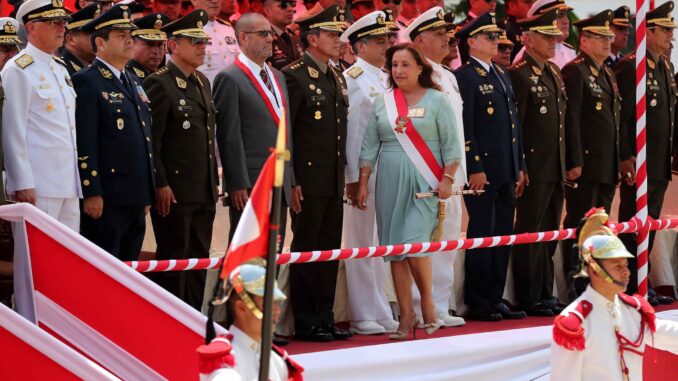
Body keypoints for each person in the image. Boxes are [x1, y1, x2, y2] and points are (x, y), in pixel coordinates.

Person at [357, 43, 461, 339]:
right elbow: (369, 146)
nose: (399, 71)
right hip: (388, 182)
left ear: (420, 68)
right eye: (394, 65)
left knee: (415, 246)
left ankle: (427, 303)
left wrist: (447, 178)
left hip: (424, 181)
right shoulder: (383, 102)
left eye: (405, 65)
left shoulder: (438, 100)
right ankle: (406, 316)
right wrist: (363, 182)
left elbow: (452, 145)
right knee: (395, 253)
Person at [283, 4, 351, 342]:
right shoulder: (294, 75)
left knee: (328, 249)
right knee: (307, 247)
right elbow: (287, 133)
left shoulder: (334, 74)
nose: (338, 39)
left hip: (332, 177)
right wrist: (291, 179)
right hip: (307, 180)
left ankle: (325, 316)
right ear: (312, 38)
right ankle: (307, 321)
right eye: (331, 34)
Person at [142, 9, 217, 310]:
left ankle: (195, 320)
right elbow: (153, 141)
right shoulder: (160, 83)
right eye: (194, 41)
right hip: (175, 190)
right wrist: (160, 182)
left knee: (199, 262)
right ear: (173, 46)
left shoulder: (202, 81)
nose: (202, 47)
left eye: (203, 42)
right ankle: (174, 321)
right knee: (175, 261)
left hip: (203, 187)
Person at [454, 12, 527, 322]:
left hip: (507, 168)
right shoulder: (465, 76)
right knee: (482, 233)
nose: (496, 41)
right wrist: (474, 166)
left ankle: (496, 297)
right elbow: (466, 127)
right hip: (483, 170)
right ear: (471, 42)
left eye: (497, 37)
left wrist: (520, 164)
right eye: (489, 37)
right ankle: (480, 299)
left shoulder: (500, 72)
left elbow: (513, 125)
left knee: (502, 235)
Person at [550, 208, 678, 381]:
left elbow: (666, 334)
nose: (626, 272)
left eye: (625, 265)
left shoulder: (632, 310)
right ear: (594, 271)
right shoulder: (574, 323)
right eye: (617, 267)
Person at [73, 3, 155, 261]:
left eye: (130, 35)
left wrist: (147, 190)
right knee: (105, 266)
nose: (129, 41)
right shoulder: (87, 80)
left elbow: (143, 136)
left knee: (129, 268)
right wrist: (92, 190)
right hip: (108, 196)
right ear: (101, 42)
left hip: (134, 193)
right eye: (121, 36)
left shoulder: (131, 79)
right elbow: (86, 140)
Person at [405, 6, 466, 328]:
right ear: (418, 41)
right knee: (424, 241)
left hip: (452, 172)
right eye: (439, 35)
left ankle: (440, 305)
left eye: (447, 34)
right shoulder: (412, 74)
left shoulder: (448, 76)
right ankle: (420, 307)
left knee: (449, 240)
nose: (447, 40)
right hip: (426, 171)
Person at [339, 10, 399, 336]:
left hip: (385, 170)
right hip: (364, 173)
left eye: (387, 39)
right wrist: (353, 179)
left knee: (378, 246)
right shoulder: (354, 78)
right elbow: (353, 133)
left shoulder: (384, 78)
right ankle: (363, 312)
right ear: (359, 46)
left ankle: (378, 306)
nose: (385, 46)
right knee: (360, 243)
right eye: (378, 41)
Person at [213, 12, 294, 251]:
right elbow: (229, 135)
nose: (270, 39)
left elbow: (285, 129)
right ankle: (240, 291)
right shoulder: (229, 77)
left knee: (273, 252)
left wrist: (293, 178)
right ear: (243, 38)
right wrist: (236, 183)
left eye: (270, 33)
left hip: (280, 179)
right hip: (251, 184)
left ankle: (266, 291)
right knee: (247, 252)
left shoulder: (278, 76)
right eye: (262, 34)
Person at [615, 1, 677, 305]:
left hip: (658, 160)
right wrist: (626, 155)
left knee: (650, 223)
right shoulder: (631, 65)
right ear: (648, 32)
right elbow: (624, 117)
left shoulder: (665, 65)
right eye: (665, 30)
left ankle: (643, 278)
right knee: (631, 221)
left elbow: (669, 116)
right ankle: (629, 282)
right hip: (639, 161)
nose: (670, 36)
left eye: (671, 30)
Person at [2, 0, 81, 231]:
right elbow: (12, 131)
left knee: (65, 258)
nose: (62, 27)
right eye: (53, 22)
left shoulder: (60, 68)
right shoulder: (18, 69)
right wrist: (22, 182)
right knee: (34, 261)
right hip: (38, 184)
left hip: (68, 183)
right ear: (31, 27)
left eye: (63, 22)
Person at [509, 9, 566, 317]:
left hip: (553, 166)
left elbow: (560, 125)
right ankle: (528, 295)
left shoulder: (553, 71)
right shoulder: (520, 73)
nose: (553, 42)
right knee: (530, 230)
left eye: (554, 37)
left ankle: (545, 291)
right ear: (528, 40)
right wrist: (520, 165)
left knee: (549, 232)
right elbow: (517, 125)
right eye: (546, 37)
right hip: (533, 166)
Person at [561, 10, 621, 300]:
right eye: (600, 37)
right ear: (583, 40)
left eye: (608, 37)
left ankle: (596, 284)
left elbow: (613, 120)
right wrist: (574, 161)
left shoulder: (606, 71)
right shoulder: (575, 70)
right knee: (580, 226)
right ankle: (577, 287)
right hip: (585, 165)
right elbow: (570, 119)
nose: (607, 42)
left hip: (606, 164)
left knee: (600, 230)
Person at [223, 262, 303, 380]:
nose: (276, 311)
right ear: (242, 308)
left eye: (276, 303)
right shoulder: (225, 364)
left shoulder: (278, 361)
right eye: (267, 304)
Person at [512, 0, 575, 69]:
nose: (566, 21)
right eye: (559, 16)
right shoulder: (530, 53)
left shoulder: (570, 51)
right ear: (544, 20)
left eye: (566, 15)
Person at [192, 0, 240, 84]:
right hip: (205, 94)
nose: (214, 1)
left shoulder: (228, 28)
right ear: (194, 1)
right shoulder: (187, 30)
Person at [261, 0, 302, 70]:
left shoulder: (295, 36)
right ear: (268, 11)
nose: (290, 9)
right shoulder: (262, 39)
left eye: (292, 4)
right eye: (283, 5)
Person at [127, 13, 169, 81]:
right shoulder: (126, 76)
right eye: (150, 44)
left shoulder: (164, 76)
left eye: (160, 44)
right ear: (132, 43)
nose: (156, 51)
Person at [61, 3, 99, 76]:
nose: (98, 39)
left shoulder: (94, 67)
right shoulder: (63, 70)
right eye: (92, 34)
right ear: (71, 39)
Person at [456, 0, 498, 64]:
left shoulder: (497, 26)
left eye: (495, 0)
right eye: (488, 0)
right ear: (473, 2)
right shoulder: (461, 29)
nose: (493, 4)